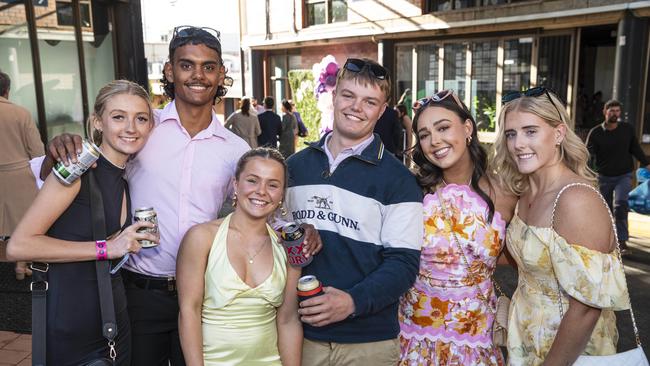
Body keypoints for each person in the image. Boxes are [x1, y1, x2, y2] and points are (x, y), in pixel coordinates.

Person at [36, 26, 250, 365]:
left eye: (209, 66)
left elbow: (248, 214)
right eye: (186, 64)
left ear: (221, 73)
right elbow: (58, 175)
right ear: (169, 70)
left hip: (201, 294)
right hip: (137, 291)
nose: (198, 75)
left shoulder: (236, 150)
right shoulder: (142, 130)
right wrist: (56, 151)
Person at [7, 80, 158, 365]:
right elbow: (19, 246)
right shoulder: (77, 169)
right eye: (118, 117)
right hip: (73, 329)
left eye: (141, 118)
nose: (131, 127)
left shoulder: (123, 178)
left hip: (113, 323)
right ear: (98, 122)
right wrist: (107, 248)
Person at [285, 57, 424, 365]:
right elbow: (268, 236)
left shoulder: (399, 180)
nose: (356, 108)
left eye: (369, 101)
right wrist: (295, 233)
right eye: (348, 95)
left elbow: (403, 264)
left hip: (369, 343)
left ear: (382, 110)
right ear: (334, 96)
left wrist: (352, 302)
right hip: (300, 337)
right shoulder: (293, 168)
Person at [493, 87, 629, 365]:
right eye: (511, 134)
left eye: (531, 131)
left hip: (568, 351)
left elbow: (587, 308)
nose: (518, 143)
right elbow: (533, 257)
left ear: (558, 133)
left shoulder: (576, 199)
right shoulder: (524, 192)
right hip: (528, 340)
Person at [398, 90, 517, 366]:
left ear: (467, 128)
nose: (434, 141)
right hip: (414, 341)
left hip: (475, 343)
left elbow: (523, 256)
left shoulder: (507, 194)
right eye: (425, 134)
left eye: (443, 128)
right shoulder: (410, 190)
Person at [177, 148, 302, 365]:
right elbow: (189, 311)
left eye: (272, 185)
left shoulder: (287, 247)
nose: (261, 191)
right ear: (236, 184)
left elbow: (288, 320)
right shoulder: (201, 238)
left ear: (282, 194)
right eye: (252, 181)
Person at [586, 99, 650, 254]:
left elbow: (635, 148)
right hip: (604, 176)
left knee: (621, 205)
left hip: (624, 175)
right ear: (604, 112)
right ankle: (605, 239)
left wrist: (646, 163)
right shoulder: (596, 133)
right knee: (605, 210)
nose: (614, 114)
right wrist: (586, 172)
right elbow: (587, 155)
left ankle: (622, 241)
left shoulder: (627, 129)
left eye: (617, 111)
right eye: (611, 111)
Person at [0, 71, 44, 280]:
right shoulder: (20, 113)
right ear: (7, 91)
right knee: (23, 223)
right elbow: (36, 149)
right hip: (20, 176)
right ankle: (21, 266)